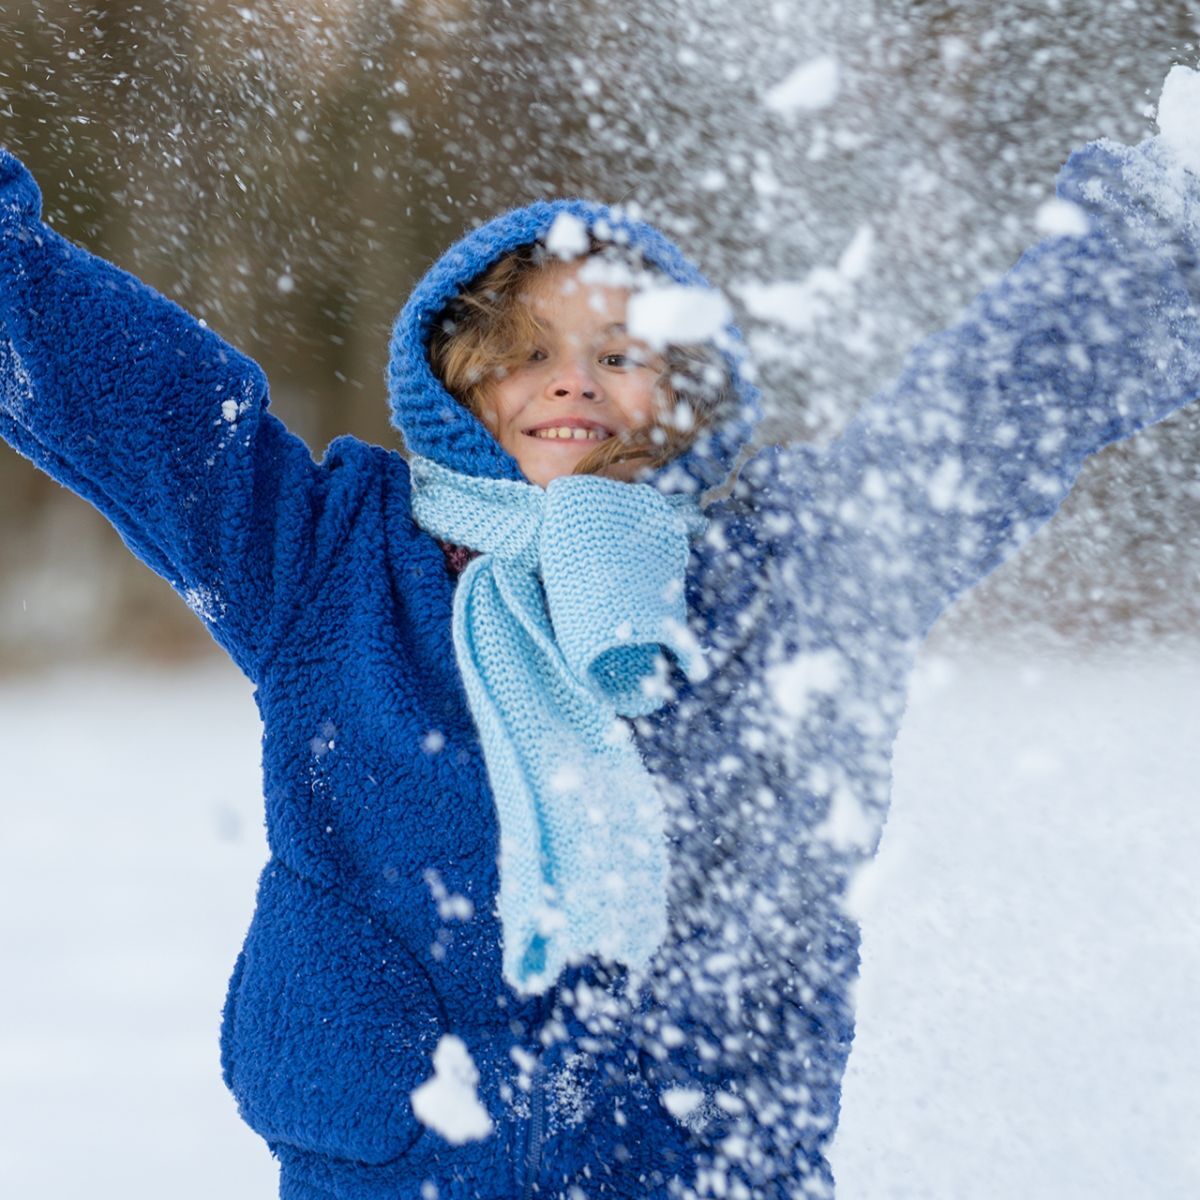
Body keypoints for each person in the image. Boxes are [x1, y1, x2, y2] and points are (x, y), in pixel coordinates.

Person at [2, 67, 1199, 1198]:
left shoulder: (779, 577)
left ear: (681, 391)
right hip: (388, 1163)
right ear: (458, 385)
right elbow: (150, 409)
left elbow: (968, 432)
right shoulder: (332, 563)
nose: (571, 383)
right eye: (526, 354)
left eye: (617, 355)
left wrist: (1151, 244)